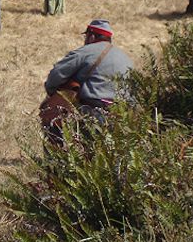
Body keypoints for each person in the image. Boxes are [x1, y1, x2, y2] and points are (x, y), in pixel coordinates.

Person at [39, 19, 133, 147]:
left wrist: (52, 93)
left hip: (91, 111)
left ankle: (56, 162)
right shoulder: (125, 57)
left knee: (53, 118)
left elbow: (55, 76)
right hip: (122, 114)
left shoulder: (85, 52)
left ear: (91, 36)